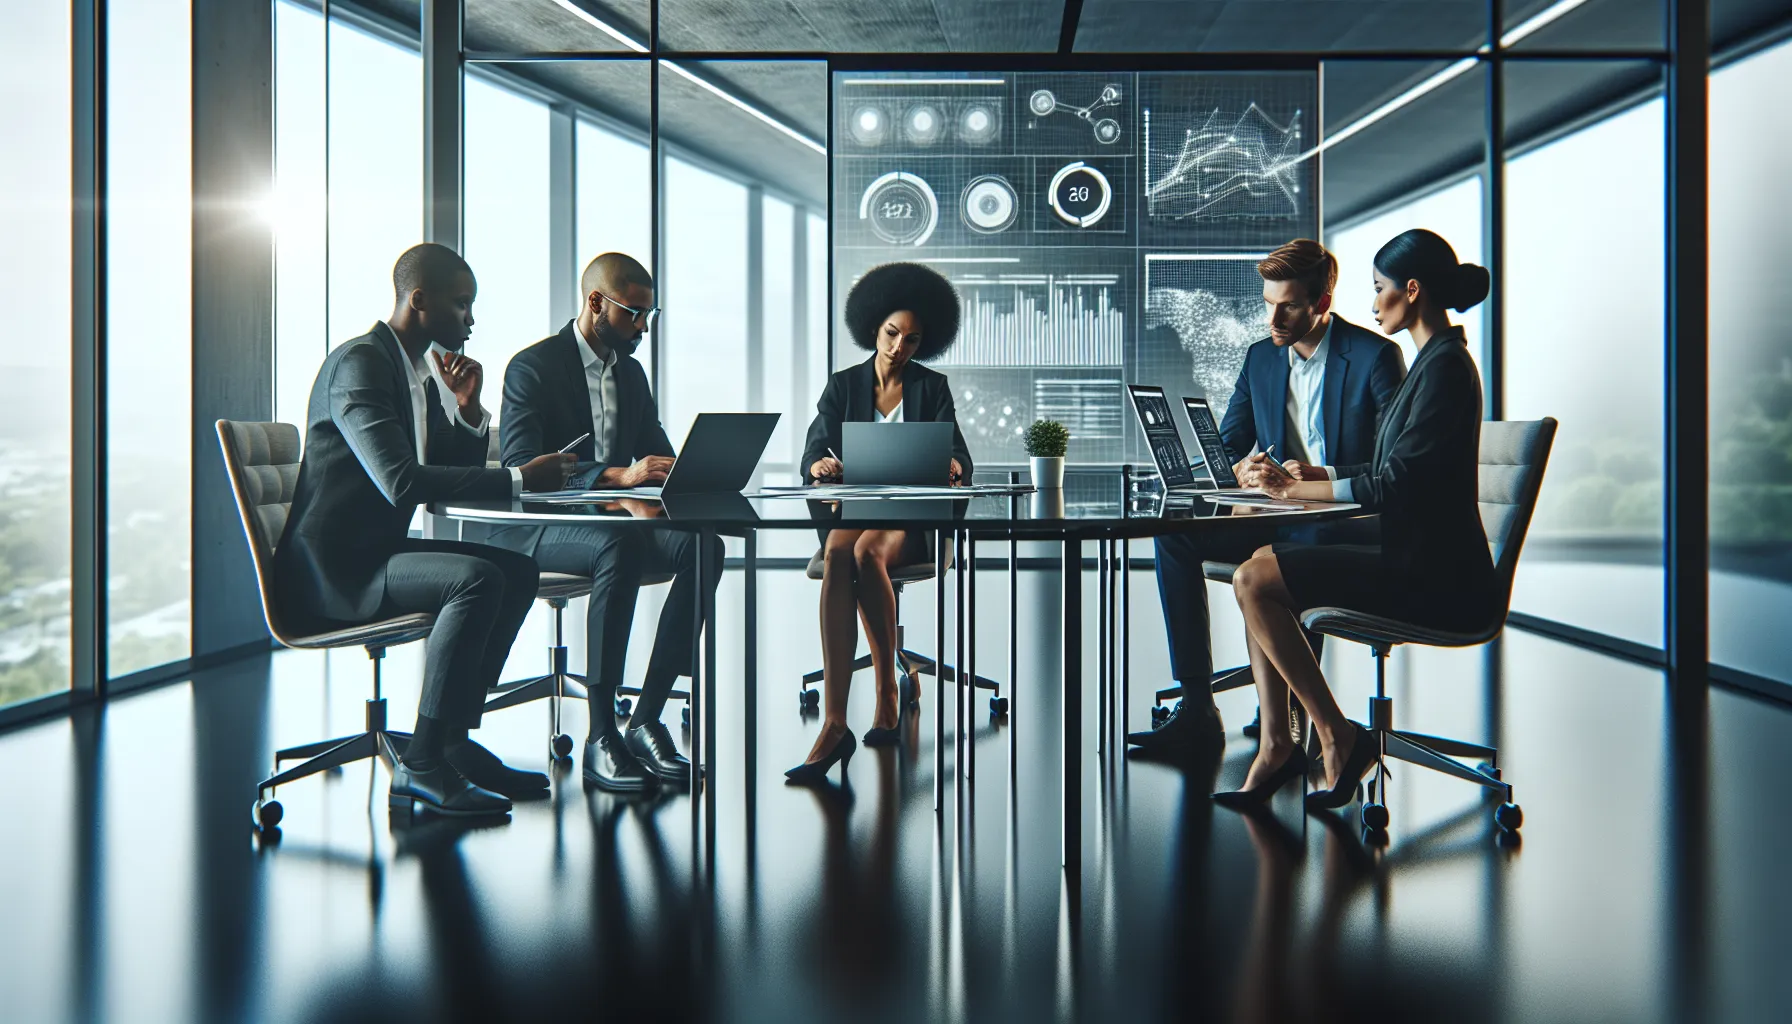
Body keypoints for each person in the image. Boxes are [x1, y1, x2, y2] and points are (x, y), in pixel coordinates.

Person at [273, 243, 576, 816]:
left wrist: (467, 407)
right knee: (478, 580)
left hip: (377, 551)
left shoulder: (415, 371)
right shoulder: (361, 364)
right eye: (462, 305)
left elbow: (443, 460)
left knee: (518, 569)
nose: (471, 319)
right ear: (419, 300)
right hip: (335, 571)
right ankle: (425, 762)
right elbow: (401, 480)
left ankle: (453, 738)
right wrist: (515, 478)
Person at [1213, 228, 1497, 808]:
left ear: (1411, 291)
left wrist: (1297, 489)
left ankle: (1331, 732)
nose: (1370, 305)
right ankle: (1278, 741)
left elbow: (1393, 483)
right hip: (1412, 548)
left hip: (1435, 572)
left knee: (1254, 579)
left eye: (1378, 289)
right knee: (1257, 566)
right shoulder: (1432, 363)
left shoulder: (1441, 369)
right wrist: (1295, 481)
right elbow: (1390, 468)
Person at [1128, 239, 1405, 758]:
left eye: (1289, 306)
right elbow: (1231, 441)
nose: (1273, 317)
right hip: (1275, 513)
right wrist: (1240, 469)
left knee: (1291, 548)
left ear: (1322, 302)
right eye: (1267, 303)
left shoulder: (1374, 357)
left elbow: (1392, 467)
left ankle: (1293, 709)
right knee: (1175, 537)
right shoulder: (1261, 358)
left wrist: (1319, 474)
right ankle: (1196, 705)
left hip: (1342, 517)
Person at [480, 252, 722, 793]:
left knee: (705, 548)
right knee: (619, 546)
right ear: (596, 303)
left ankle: (647, 718)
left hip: (611, 528)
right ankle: (600, 734)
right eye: (634, 314)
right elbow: (522, 464)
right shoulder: (533, 367)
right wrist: (617, 474)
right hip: (534, 529)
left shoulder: (632, 374)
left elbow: (654, 454)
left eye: (648, 316)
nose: (642, 328)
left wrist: (690, 470)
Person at [786, 262, 973, 783]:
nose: (899, 347)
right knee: (839, 552)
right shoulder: (843, 386)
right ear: (874, 328)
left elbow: (957, 452)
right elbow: (812, 451)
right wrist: (818, 466)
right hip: (860, 510)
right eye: (892, 334)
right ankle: (835, 722)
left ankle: (888, 689)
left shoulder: (932, 388)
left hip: (912, 516)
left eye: (911, 339)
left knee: (867, 552)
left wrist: (955, 465)